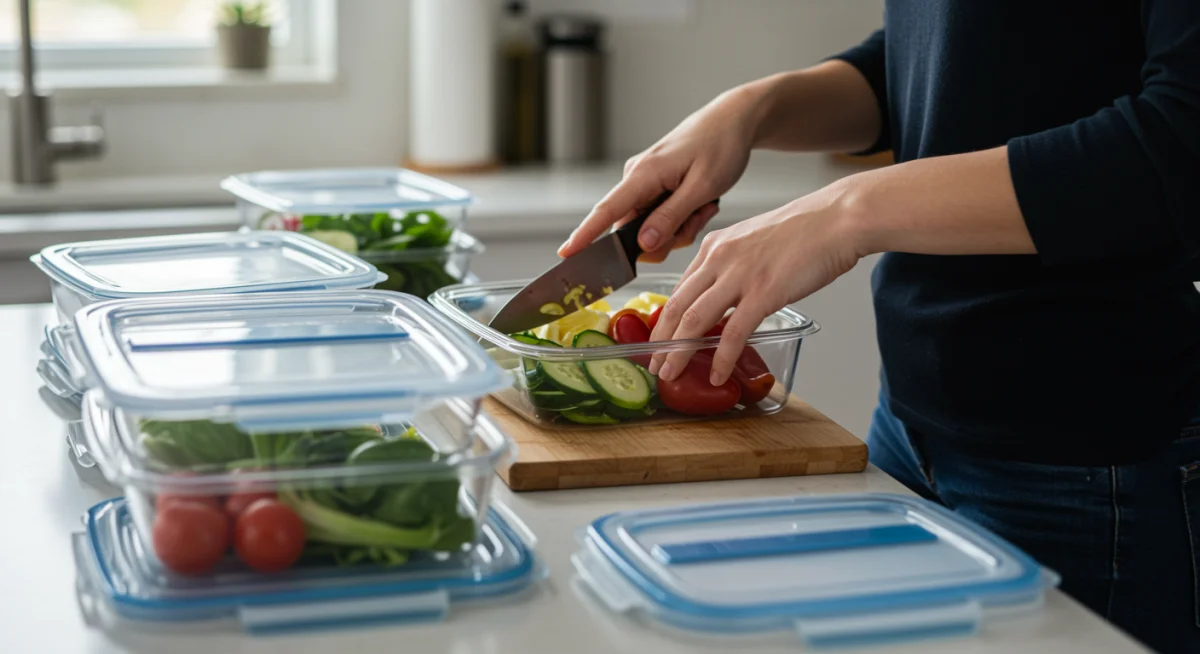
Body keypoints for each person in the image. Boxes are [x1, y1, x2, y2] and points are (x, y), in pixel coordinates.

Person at [557, 2, 1200, 652]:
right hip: (906, 427)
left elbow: (1182, 144)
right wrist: (750, 110)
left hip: (1086, 459)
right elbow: (946, 59)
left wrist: (846, 211)